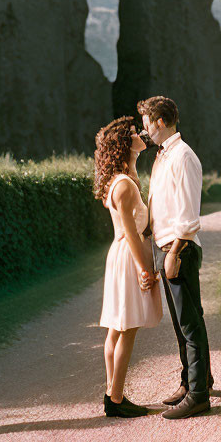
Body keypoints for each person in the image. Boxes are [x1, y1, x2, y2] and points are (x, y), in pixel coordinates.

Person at [138, 96, 213, 419]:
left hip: (177, 248)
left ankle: (198, 396)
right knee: (183, 324)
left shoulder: (183, 157)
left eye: (146, 123)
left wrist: (175, 252)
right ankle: (193, 380)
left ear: (160, 122)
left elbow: (188, 212)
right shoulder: (163, 156)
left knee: (190, 324)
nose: (144, 131)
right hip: (163, 245)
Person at [94, 116, 163, 418]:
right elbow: (131, 233)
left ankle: (113, 392)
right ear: (124, 143)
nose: (141, 135)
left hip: (122, 253)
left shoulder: (125, 177)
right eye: (134, 133)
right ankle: (116, 398)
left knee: (116, 328)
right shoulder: (123, 184)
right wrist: (145, 269)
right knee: (126, 328)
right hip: (127, 255)